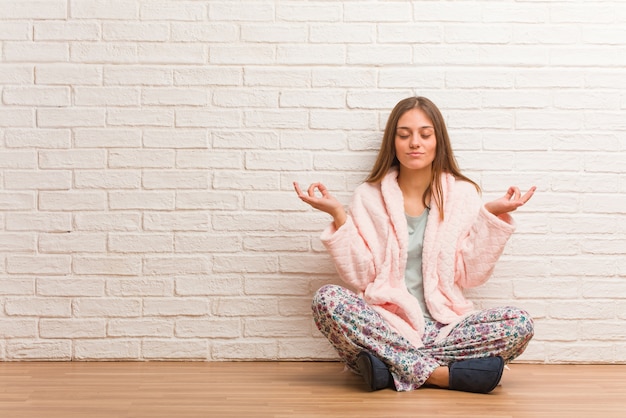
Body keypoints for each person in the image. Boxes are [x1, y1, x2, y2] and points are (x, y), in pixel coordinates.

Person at [293, 96, 536, 394]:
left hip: (445, 326)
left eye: (425, 134)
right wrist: (338, 215)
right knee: (327, 299)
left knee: (520, 323)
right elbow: (362, 277)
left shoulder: (462, 195)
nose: (414, 143)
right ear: (393, 142)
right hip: (386, 323)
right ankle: (440, 375)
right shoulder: (368, 196)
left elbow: (470, 277)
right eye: (404, 135)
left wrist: (491, 217)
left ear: (438, 141)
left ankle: (387, 369)